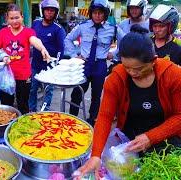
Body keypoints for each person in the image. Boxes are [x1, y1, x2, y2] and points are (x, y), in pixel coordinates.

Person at [74, 25, 181, 179]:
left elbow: (179, 116)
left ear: (153, 61)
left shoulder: (173, 75)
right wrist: (96, 155)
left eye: (138, 69)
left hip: (167, 141)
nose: (132, 73)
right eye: (127, 67)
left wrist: (151, 137)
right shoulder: (116, 78)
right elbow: (105, 117)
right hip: (130, 143)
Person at [64, 0, 122, 126]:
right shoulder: (83, 26)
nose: (97, 15)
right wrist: (75, 55)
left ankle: (92, 120)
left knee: (96, 95)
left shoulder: (112, 29)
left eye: (100, 13)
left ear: (105, 14)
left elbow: (125, 42)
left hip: (100, 66)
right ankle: (71, 119)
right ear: (91, 13)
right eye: (94, 12)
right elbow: (68, 39)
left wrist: (115, 53)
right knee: (77, 93)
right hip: (84, 65)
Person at [0, 4, 50, 114]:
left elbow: (34, 40)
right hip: (7, 76)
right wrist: (3, 57)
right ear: (7, 18)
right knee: (6, 105)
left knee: (23, 104)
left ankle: (22, 126)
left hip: (24, 75)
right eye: (12, 18)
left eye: (17, 17)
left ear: (22, 17)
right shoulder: (2, 32)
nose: (15, 21)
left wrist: (42, 48)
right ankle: (7, 127)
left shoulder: (28, 31)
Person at [29, 0, 66, 112]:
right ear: (43, 11)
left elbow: (61, 49)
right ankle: (31, 110)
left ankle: (45, 112)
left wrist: (55, 64)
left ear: (56, 13)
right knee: (32, 89)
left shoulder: (58, 29)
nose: (49, 13)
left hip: (49, 67)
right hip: (35, 64)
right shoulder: (35, 23)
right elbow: (30, 39)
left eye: (52, 11)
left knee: (48, 90)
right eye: (47, 10)